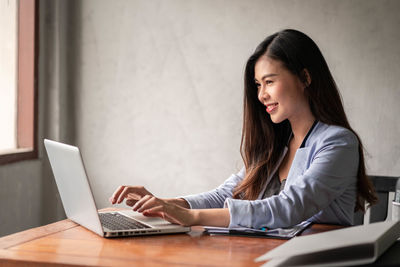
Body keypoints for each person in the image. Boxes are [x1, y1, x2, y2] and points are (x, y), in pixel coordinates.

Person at [109, 29, 377, 229]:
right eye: (258, 85)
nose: (261, 96)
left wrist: (192, 217)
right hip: (265, 255)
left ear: (305, 78)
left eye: (269, 82)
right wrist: (167, 204)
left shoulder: (338, 143)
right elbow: (227, 194)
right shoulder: (277, 144)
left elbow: (290, 208)